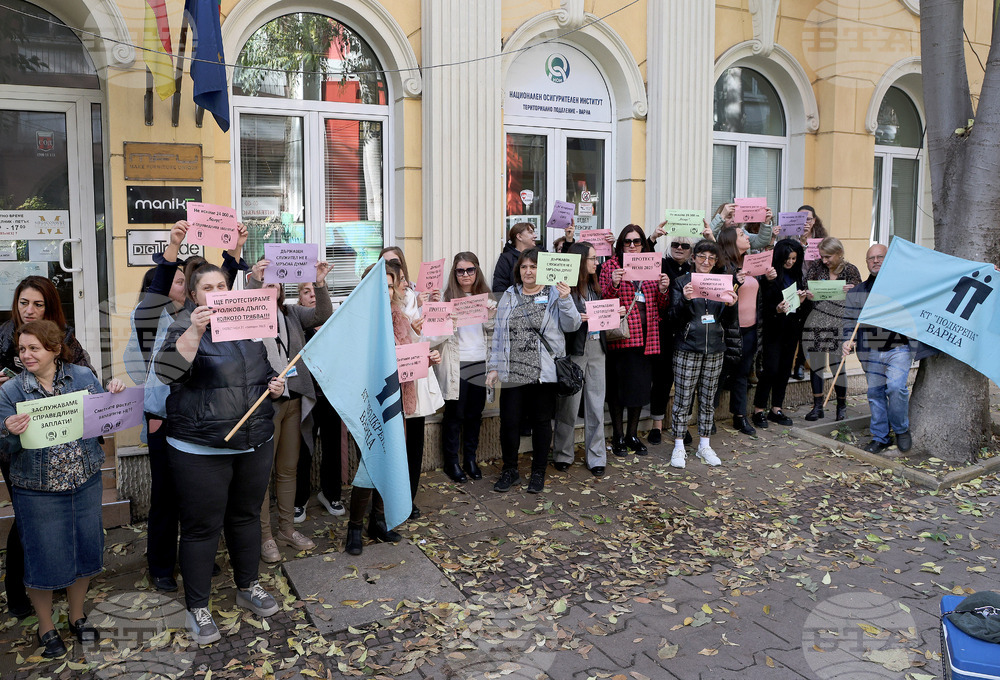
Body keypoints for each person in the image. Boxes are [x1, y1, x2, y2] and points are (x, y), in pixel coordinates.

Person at [154, 264, 285, 645]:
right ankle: (197, 607)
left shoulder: (248, 326)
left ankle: (248, 586)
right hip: (200, 449)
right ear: (194, 295)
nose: (215, 291)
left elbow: (258, 377)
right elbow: (168, 374)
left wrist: (273, 387)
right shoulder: (181, 327)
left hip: (253, 442)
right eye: (207, 287)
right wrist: (195, 330)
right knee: (201, 529)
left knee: (245, 518)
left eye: (222, 285)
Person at [0, 320, 125, 658]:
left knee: (85, 550)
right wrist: (8, 431)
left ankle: (76, 615)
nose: (26, 355)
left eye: (34, 349)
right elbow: (4, 445)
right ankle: (46, 625)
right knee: (44, 558)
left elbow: (104, 420)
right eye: (22, 349)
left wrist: (113, 394)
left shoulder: (82, 378)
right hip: (36, 489)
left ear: (54, 350)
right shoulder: (11, 391)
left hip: (83, 481)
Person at [0, 276, 95, 621]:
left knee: (76, 538)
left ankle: (73, 608)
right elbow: (4, 429)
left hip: (76, 463)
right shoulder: (6, 348)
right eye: (24, 302)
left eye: (38, 304)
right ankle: (25, 602)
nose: (30, 309)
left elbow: (93, 395)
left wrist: (109, 395)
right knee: (33, 530)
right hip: (26, 463)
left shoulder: (70, 350)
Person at [345, 260, 440, 554]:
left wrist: (426, 360)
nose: (386, 292)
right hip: (368, 403)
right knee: (369, 467)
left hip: (396, 399)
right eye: (380, 287)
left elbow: (406, 360)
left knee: (392, 460)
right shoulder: (358, 319)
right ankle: (354, 529)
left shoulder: (399, 317)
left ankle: (379, 522)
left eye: (389, 286)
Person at [247, 256, 333, 562]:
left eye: (276, 283)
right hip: (264, 406)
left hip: (294, 400)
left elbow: (323, 313)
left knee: (287, 470)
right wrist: (255, 283)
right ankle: (265, 536)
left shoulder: (292, 313)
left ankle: (286, 529)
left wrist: (320, 282)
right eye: (267, 283)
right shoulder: (249, 315)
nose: (273, 288)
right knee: (261, 473)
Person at [486, 248, 581, 494]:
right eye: (524, 267)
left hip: (543, 372)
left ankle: (538, 472)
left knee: (541, 423)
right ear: (518, 270)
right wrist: (494, 366)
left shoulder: (554, 294)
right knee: (509, 422)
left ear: (543, 269)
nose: (528, 271)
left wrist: (566, 299)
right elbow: (498, 333)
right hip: (513, 372)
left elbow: (572, 325)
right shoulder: (509, 294)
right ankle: (510, 471)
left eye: (534, 266)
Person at [380, 247, 444, 519]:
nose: (395, 278)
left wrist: (427, 322)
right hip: (390, 387)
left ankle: (409, 499)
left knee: (414, 444)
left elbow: (433, 341)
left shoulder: (417, 299)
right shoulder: (381, 306)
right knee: (392, 448)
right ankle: (387, 504)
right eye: (388, 266)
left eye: (398, 268)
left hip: (414, 384)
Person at [598, 226, 671, 456]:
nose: (632, 245)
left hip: (646, 339)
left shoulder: (651, 265)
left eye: (637, 241)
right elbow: (603, 301)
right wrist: (615, 284)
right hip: (621, 339)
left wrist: (663, 290)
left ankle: (632, 435)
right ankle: (618, 436)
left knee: (640, 391)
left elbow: (661, 306)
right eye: (627, 241)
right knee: (618, 392)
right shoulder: (610, 266)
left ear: (643, 244)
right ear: (620, 244)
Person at [667, 240, 740, 468]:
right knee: (683, 399)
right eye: (701, 256)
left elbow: (728, 322)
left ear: (716, 261)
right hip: (688, 348)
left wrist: (731, 306)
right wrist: (686, 301)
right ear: (694, 258)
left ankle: (704, 445)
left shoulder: (721, 283)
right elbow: (673, 319)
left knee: (708, 401)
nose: (706, 262)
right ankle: (679, 446)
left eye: (711, 258)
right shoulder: (681, 283)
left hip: (714, 349)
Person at [553, 242, 617, 477]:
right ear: (580, 261)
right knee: (569, 406)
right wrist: (576, 316)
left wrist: (613, 313)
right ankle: (562, 454)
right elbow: (557, 321)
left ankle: (597, 456)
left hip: (597, 349)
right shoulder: (564, 288)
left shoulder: (595, 287)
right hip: (574, 352)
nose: (596, 263)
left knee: (596, 405)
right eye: (592, 259)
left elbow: (602, 315)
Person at [842, 244, 913, 454]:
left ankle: (901, 429)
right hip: (870, 350)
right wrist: (848, 340)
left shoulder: (903, 287)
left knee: (895, 388)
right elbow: (849, 322)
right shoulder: (857, 292)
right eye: (871, 258)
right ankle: (880, 437)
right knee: (875, 394)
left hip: (898, 348)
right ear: (867, 263)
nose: (875, 261)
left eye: (880, 257)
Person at [436, 253, 494, 483]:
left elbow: (492, 332)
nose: (465, 275)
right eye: (460, 271)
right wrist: (449, 320)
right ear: (454, 274)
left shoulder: (485, 297)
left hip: (480, 361)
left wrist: (491, 315)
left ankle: (471, 458)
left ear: (477, 271)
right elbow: (436, 334)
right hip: (457, 364)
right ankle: (451, 463)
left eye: (470, 270)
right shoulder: (445, 299)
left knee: (474, 414)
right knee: (455, 415)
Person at [292, 281, 346, 522]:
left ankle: (331, 494)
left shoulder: (335, 324)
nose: (312, 296)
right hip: (306, 397)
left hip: (332, 396)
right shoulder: (296, 324)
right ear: (300, 299)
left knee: (333, 446)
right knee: (303, 448)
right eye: (306, 292)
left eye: (315, 291)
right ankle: (299, 499)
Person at [717, 226, 777, 436]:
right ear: (731, 241)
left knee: (742, 373)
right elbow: (719, 298)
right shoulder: (723, 266)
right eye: (743, 235)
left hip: (751, 329)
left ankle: (739, 416)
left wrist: (769, 279)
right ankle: (709, 416)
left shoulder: (750, 262)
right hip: (729, 331)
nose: (748, 237)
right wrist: (734, 281)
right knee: (719, 375)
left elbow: (761, 295)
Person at [802, 237, 862, 421]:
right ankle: (818, 406)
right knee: (816, 365)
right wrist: (808, 294)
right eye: (822, 256)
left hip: (841, 323)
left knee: (838, 366)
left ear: (839, 254)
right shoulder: (816, 267)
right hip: (818, 321)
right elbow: (806, 288)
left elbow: (860, 297)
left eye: (828, 257)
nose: (824, 260)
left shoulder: (851, 270)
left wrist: (853, 291)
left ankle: (841, 406)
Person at [752, 239, 809, 428]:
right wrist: (776, 309)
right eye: (787, 258)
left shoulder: (798, 275)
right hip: (773, 328)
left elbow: (799, 306)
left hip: (791, 328)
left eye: (794, 258)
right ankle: (758, 409)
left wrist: (804, 299)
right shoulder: (771, 276)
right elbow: (763, 305)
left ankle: (776, 408)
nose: (790, 262)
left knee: (785, 369)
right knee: (770, 369)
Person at [492, 222, 539, 294]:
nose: (535, 236)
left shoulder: (541, 256)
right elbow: (499, 287)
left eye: (533, 266)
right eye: (530, 233)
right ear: (519, 237)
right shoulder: (506, 258)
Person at [709, 203, 774, 251]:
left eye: (737, 216)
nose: (734, 220)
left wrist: (766, 222)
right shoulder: (717, 234)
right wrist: (721, 216)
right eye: (728, 216)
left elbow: (761, 241)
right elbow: (708, 236)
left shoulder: (742, 233)